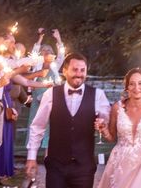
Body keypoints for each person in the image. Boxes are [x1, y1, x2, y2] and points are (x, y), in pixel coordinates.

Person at [26, 52, 111, 188]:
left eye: (82, 70)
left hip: (84, 167)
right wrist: (31, 157)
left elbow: (108, 123)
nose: (79, 74)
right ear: (64, 71)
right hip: (56, 167)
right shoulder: (50, 94)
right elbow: (37, 126)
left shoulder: (98, 95)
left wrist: (103, 124)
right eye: (74, 69)